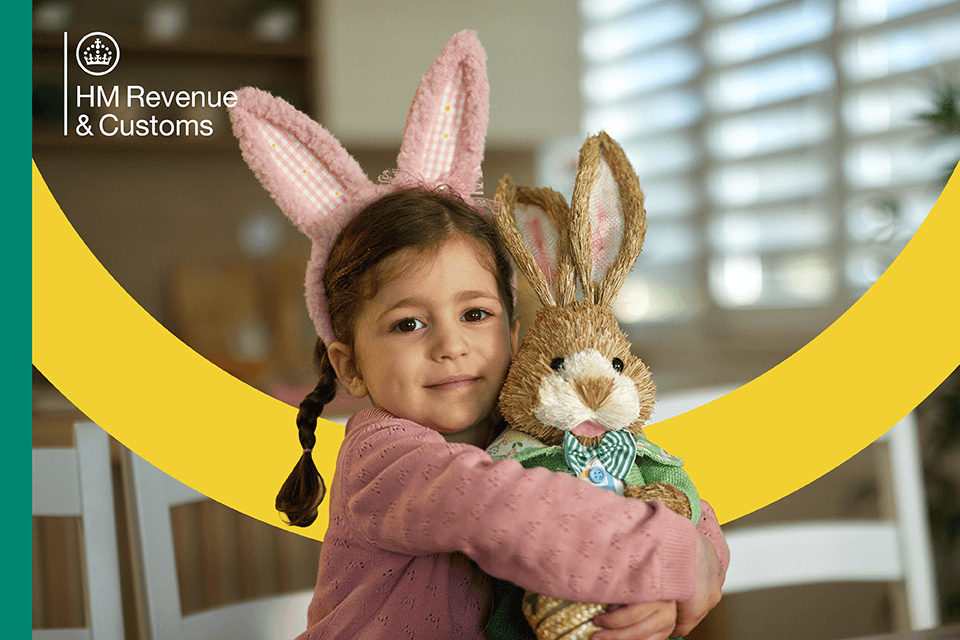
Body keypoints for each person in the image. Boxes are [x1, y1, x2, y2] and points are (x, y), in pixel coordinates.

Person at [228, 31, 728, 640]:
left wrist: (687, 567)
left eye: (475, 315)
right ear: (350, 366)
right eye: (408, 324)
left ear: (514, 335)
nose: (451, 346)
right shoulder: (383, 456)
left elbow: (658, 484)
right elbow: (498, 507)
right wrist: (672, 556)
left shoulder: (534, 435)